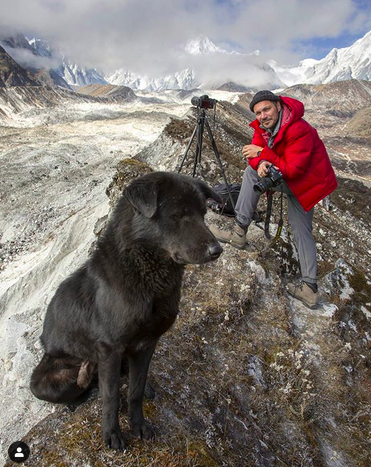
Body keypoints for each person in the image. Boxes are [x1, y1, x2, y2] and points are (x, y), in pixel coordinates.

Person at [209, 90, 337, 309]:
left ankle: (238, 234)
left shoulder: (299, 129)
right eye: (258, 112)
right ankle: (310, 289)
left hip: (307, 183)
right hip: (291, 177)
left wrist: (263, 154)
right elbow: (253, 156)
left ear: (278, 106)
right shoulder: (262, 128)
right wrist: (260, 163)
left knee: (300, 229)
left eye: (266, 109)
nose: (262, 116)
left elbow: (294, 170)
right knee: (253, 174)